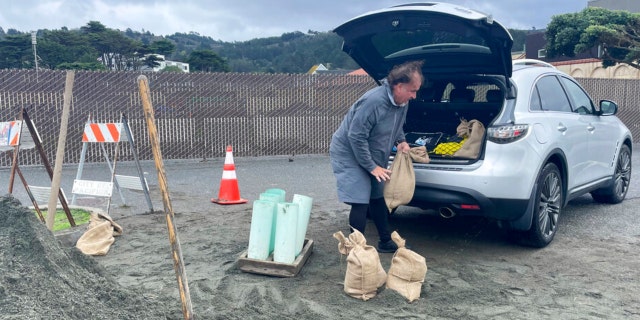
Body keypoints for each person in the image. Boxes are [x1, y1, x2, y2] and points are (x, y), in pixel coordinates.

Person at [329, 60, 424, 253]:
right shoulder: (373, 102)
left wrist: (401, 141)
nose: (415, 95)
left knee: (377, 195)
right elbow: (355, 136)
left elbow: (396, 126)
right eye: (412, 90)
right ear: (398, 86)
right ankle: (356, 251)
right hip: (349, 150)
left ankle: (385, 241)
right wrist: (372, 167)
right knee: (360, 197)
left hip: (371, 150)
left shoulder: (402, 102)